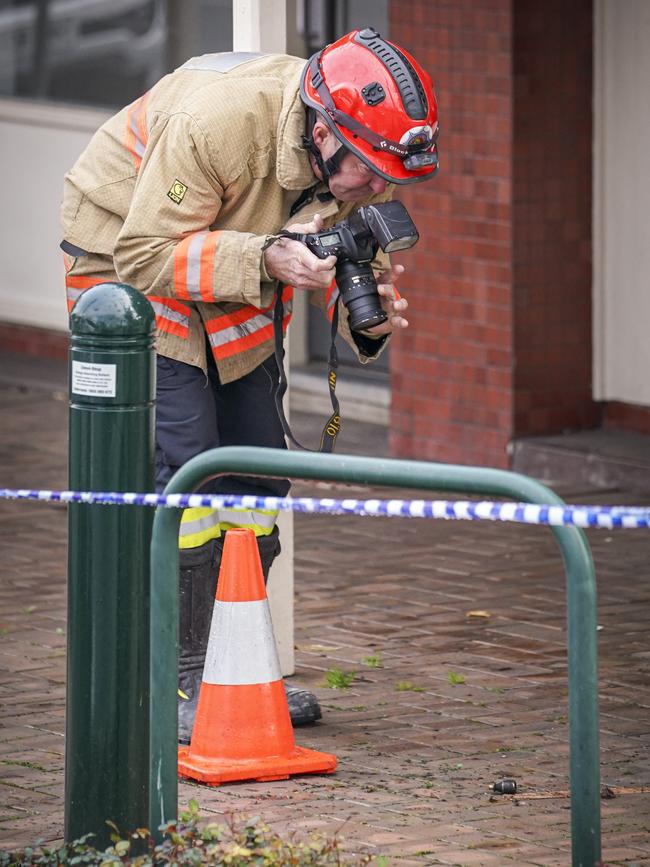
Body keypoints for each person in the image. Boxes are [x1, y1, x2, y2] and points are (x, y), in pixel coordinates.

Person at [60, 27, 439, 744]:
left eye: (391, 175)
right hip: (126, 263)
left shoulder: (345, 153)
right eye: (368, 169)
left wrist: (370, 322)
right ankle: (178, 676)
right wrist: (268, 255)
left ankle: (236, 666)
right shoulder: (219, 122)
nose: (377, 188)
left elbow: (350, 250)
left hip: (225, 264)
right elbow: (145, 251)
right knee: (191, 466)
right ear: (326, 130)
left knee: (258, 473)